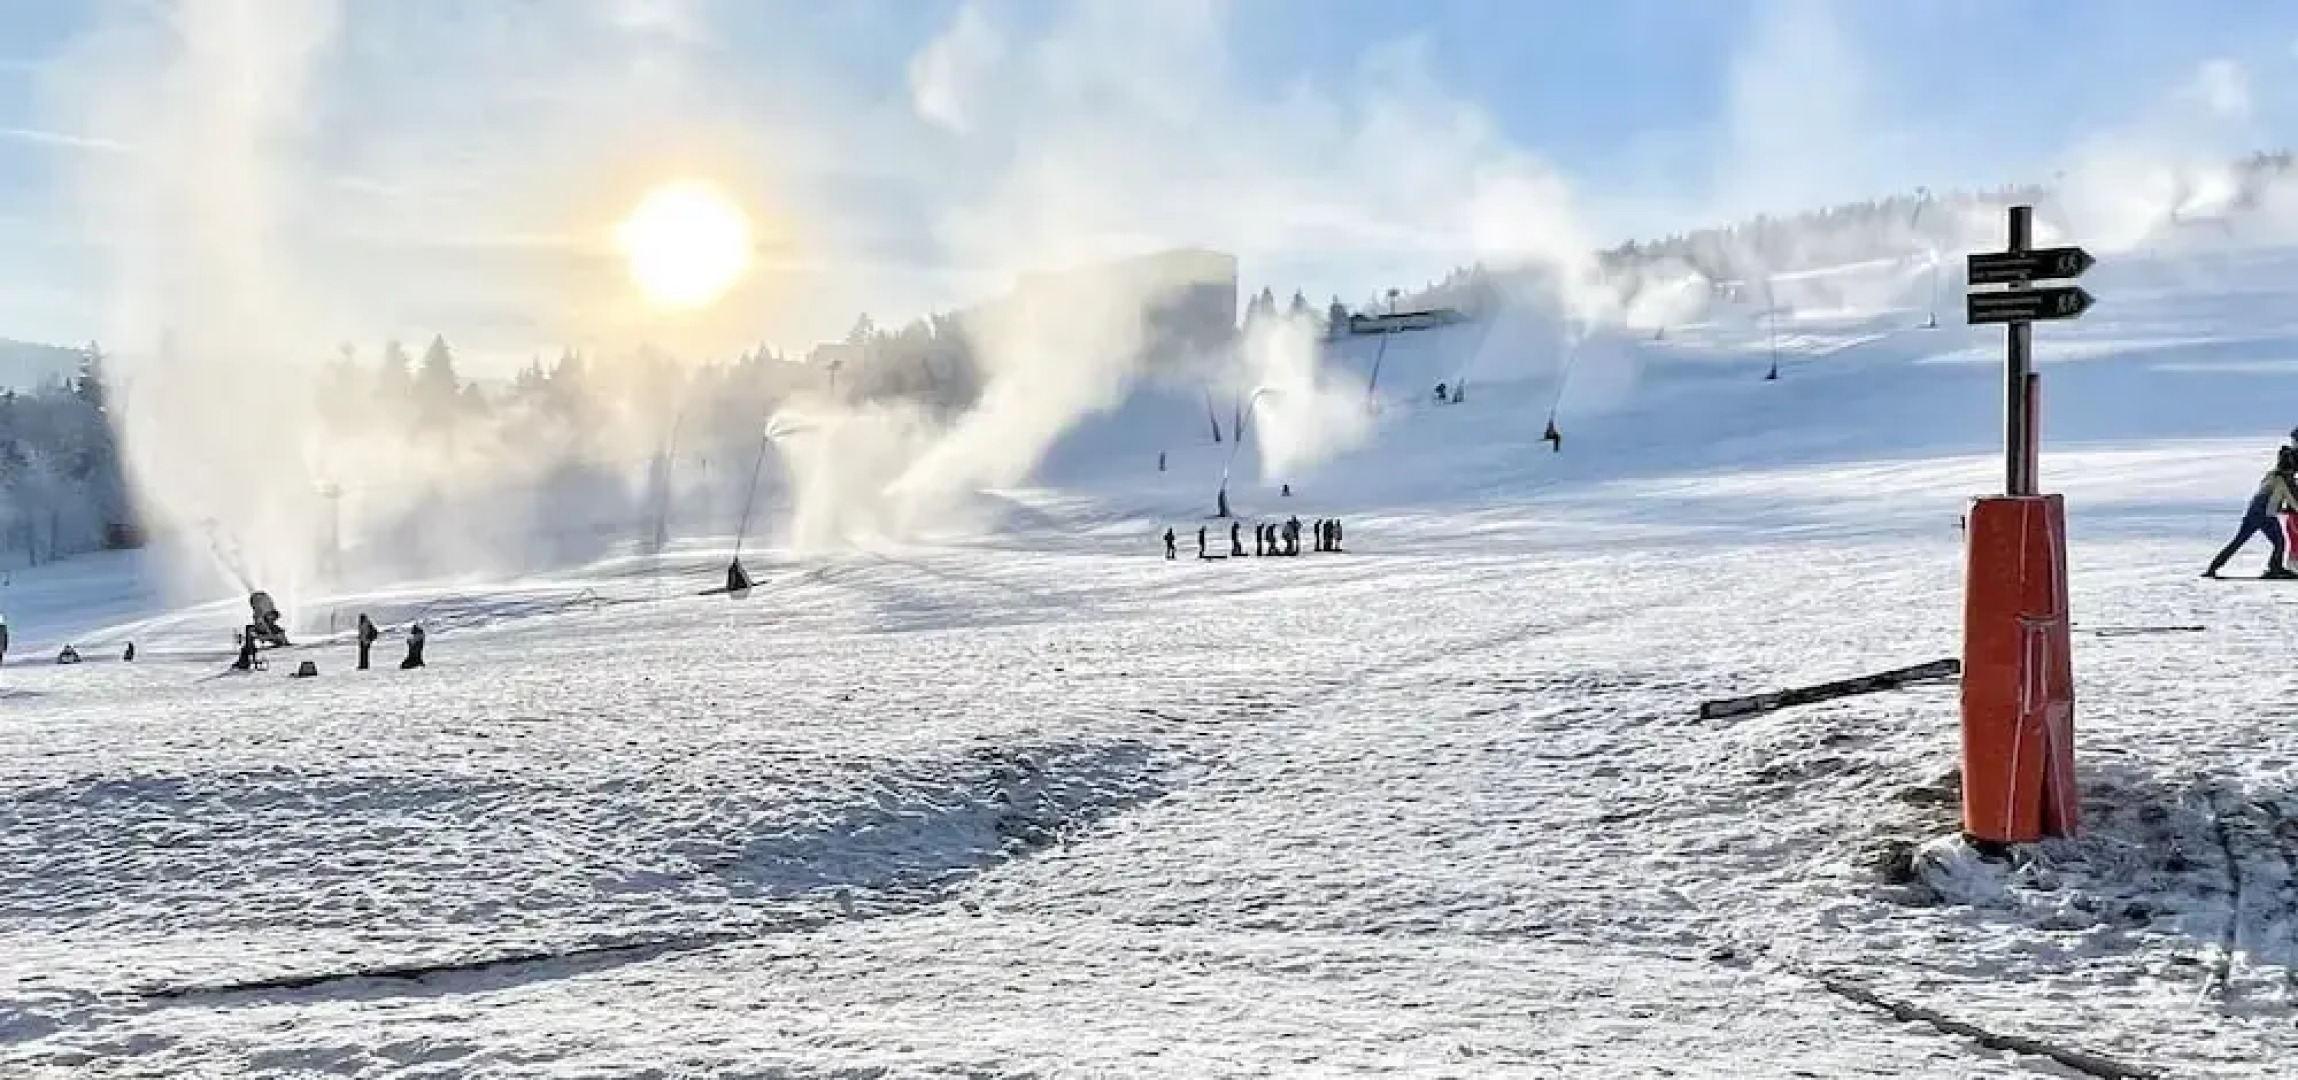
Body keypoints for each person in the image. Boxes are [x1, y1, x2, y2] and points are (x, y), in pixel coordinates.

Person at [2204, 446, 2298, 578]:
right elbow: (2291, 499)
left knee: (2238, 541)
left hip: (2253, 511)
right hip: (2265, 513)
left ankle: (2213, 567)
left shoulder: (2271, 475)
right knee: (2279, 541)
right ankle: (2275, 568)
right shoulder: (2283, 480)